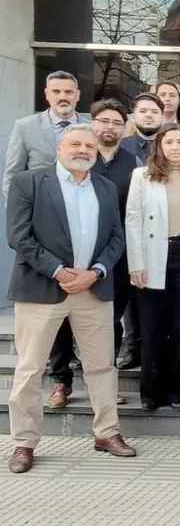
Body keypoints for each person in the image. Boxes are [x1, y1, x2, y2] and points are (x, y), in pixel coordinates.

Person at [6, 124, 135, 474]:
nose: (83, 150)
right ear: (59, 149)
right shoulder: (29, 182)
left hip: (92, 288)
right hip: (42, 288)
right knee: (31, 369)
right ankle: (24, 442)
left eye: (89, 146)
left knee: (102, 366)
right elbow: (19, 236)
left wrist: (95, 271)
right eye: (75, 144)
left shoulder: (106, 188)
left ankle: (107, 432)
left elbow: (116, 239)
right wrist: (59, 271)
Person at [125, 123, 180, 411]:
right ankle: (152, 393)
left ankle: (179, 393)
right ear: (159, 146)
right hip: (151, 255)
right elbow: (133, 220)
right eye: (169, 142)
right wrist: (136, 264)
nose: (175, 147)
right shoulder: (142, 176)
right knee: (152, 326)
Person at [89, 99, 143, 400]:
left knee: (111, 319)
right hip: (80, 254)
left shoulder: (133, 163)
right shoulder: (82, 156)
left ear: (125, 128)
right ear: (92, 123)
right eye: (104, 121)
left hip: (119, 253)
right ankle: (62, 379)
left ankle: (106, 387)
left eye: (116, 123)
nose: (110, 127)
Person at [4, 71, 90, 198]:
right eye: (56, 91)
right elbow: (12, 175)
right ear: (47, 94)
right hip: (38, 207)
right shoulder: (25, 127)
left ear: (77, 95)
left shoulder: (91, 129)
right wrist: (17, 212)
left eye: (69, 92)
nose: (63, 97)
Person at [120, 93, 165, 161]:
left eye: (154, 112)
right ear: (133, 117)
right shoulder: (120, 147)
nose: (149, 115)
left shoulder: (172, 147)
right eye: (143, 111)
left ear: (162, 118)